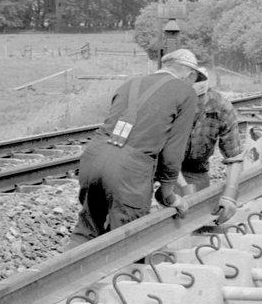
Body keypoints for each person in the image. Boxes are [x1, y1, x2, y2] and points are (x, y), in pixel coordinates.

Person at [65, 47, 203, 247]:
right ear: (189, 75)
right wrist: (168, 194)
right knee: (128, 241)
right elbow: (173, 151)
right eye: (194, 79)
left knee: (87, 227)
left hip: (93, 157)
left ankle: (71, 264)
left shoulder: (130, 83)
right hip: (129, 169)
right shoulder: (186, 92)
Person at [177, 75, 245, 227]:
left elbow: (234, 157)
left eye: (199, 100)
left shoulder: (222, 108)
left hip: (194, 167)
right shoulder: (168, 106)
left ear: (207, 93)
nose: (194, 107)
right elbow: (164, 158)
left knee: (194, 217)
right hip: (154, 162)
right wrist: (185, 189)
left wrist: (230, 196)